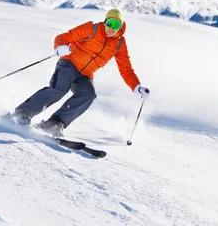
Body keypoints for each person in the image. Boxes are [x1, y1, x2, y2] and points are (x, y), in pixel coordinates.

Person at [8, 9, 150, 138]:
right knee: (59, 90)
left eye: (116, 25)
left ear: (121, 27)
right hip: (69, 64)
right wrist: (59, 47)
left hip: (85, 74)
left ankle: (54, 123)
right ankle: (22, 113)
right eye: (110, 23)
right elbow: (63, 37)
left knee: (89, 94)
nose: (112, 29)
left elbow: (126, 68)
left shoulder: (119, 44)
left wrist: (136, 87)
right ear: (105, 21)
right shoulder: (92, 29)